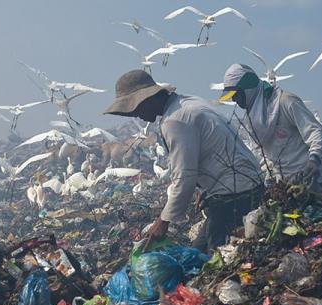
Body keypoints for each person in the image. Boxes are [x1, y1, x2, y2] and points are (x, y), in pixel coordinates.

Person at [104, 70, 263, 252]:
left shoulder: (174, 120)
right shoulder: (187, 102)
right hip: (246, 185)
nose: (136, 114)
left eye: (137, 107)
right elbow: (212, 151)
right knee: (197, 251)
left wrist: (163, 221)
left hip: (236, 195)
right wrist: (207, 188)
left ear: (148, 99)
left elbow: (184, 176)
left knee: (217, 256)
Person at [220, 64, 322, 194]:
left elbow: (315, 132)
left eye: (236, 94)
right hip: (287, 185)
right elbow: (264, 155)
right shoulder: (252, 120)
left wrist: (313, 161)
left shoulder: (286, 102)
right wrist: (267, 179)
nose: (234, 99)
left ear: (247, 89)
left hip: (314, 179)